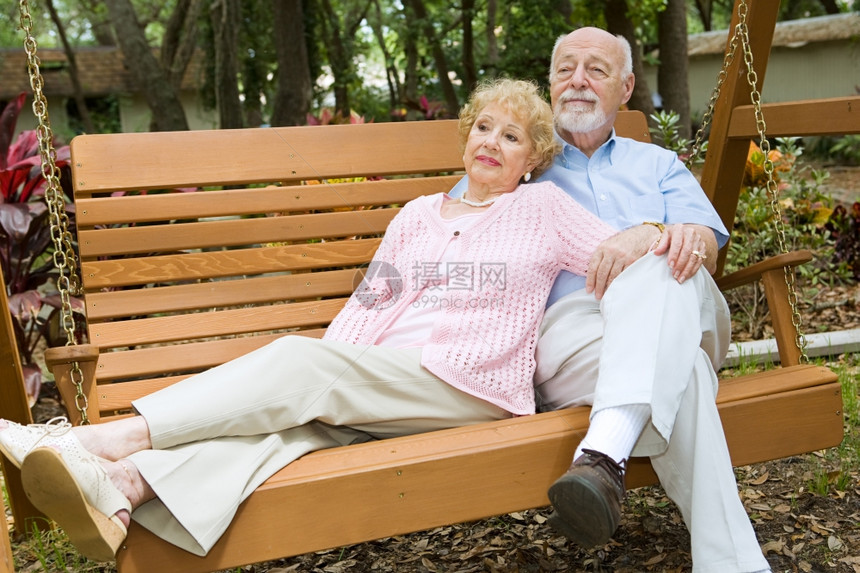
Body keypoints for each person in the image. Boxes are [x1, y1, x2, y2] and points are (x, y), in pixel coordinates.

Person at [0, 78, 618, 562]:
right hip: (383, 384)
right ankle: (124, 490)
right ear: (465, 138)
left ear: (533, 158)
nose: (491, 142)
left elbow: (620, 248)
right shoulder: (418, 214)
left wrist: (660, 234)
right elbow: (373, 300)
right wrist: (316, 385)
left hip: (470, 388)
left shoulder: (542, 208)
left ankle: (92, 440)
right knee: (285, 433)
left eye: (511, 137)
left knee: (301, 363)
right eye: (483, 127)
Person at [511, 28, 771, 573]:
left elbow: (705, 247)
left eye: (596, 70)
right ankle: (731, 563)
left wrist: (649, 233)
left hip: (680, 306)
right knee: (688, 374)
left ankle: (602, 454)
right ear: (550, 83)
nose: (577, 81)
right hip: (574, 334)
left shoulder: (657, 164)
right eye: (565, 69)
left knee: (661, 259)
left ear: (626, 88)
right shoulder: (518, 161)